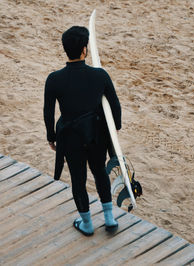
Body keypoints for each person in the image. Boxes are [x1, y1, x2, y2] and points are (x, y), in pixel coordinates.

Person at [43, 26, 121, 236]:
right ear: (85, 50)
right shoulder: (100, 76)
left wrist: (51, 136)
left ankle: (86, 224)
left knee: (78, 179)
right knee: (99, 172)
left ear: (65, 49)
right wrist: (115, 130)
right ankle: (109, 218)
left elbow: (48, 112)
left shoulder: (54, 79)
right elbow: (115, 107)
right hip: (96, 135)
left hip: (70, 137)